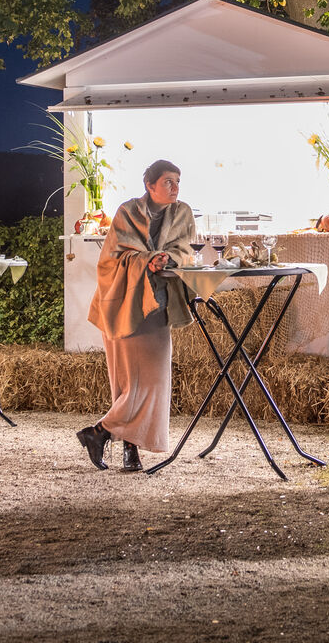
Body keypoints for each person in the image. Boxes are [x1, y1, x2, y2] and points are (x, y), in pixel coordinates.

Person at [77, 159, 194, 473]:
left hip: (157, 304)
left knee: (152, 383)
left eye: (178, 181)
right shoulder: (127, 212)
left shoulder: (182, 213)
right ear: (150, 185)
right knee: (129, 384)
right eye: (168, 181)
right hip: (122, 304)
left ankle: (98, 433)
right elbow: (111, 260)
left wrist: (167, 258)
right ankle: (129, 451)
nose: (175, 187)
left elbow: (186, 251)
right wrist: (147, 261)